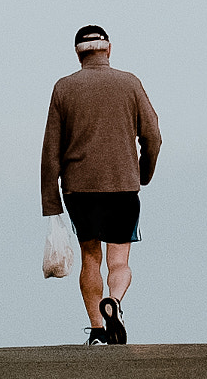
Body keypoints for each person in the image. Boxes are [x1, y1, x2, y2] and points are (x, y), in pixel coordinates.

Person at [41, 24, 162, 345]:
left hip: (79, 189)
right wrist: (142, 173)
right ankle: (115, 302)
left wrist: (50, 201)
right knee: (119, 261)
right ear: (108, 49)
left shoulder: (64, 88)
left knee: (90, 258)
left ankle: (97, 329)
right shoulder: (130, 83)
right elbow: (153, 136)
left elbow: (51, 149)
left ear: (78, 54)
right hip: (123, 185)